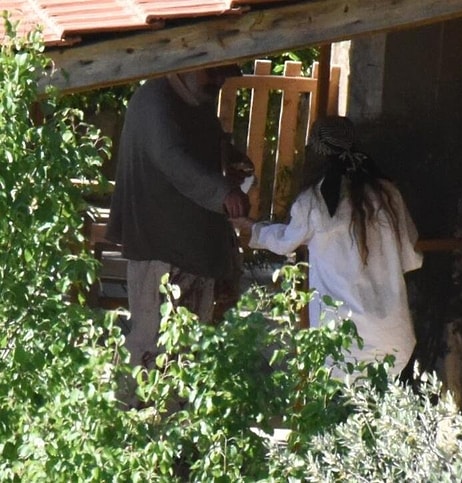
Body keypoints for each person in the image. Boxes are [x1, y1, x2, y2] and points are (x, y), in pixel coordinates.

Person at [232, 116, 423, 376]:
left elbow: (285, 241)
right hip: (394, 336)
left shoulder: (315, 201)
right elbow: (411, 257)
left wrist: (251, 228)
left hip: (342, 343)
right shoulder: (388, 194)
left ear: (314, 152)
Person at [106, 65, 251, 390]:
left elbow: (204, 150)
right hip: (161, 251)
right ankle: (141, 424)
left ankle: (176, 420)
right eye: (213, 72)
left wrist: (230, 164)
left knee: (187, 349)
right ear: (187, 66)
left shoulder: (193, 101)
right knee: (153, 345)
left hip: (191, 249)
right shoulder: (154, 101)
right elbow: (171, 157)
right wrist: (222, 191)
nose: (219, 80)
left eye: (223, 74)